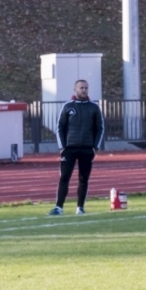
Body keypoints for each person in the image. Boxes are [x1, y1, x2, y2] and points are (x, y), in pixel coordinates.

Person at [51, 79, 104, 216]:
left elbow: (100, 128)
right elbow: (60, 127)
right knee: (64, 177)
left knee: (83, 178)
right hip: (69, 149)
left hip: (87, 149)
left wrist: (94, 148)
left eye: (86, 87)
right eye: (81, 87)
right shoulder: (68, 106)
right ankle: (59, 207)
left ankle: (80, 208)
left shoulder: (94, 107)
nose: (84, 90)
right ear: (75, 89)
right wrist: (62, 147)